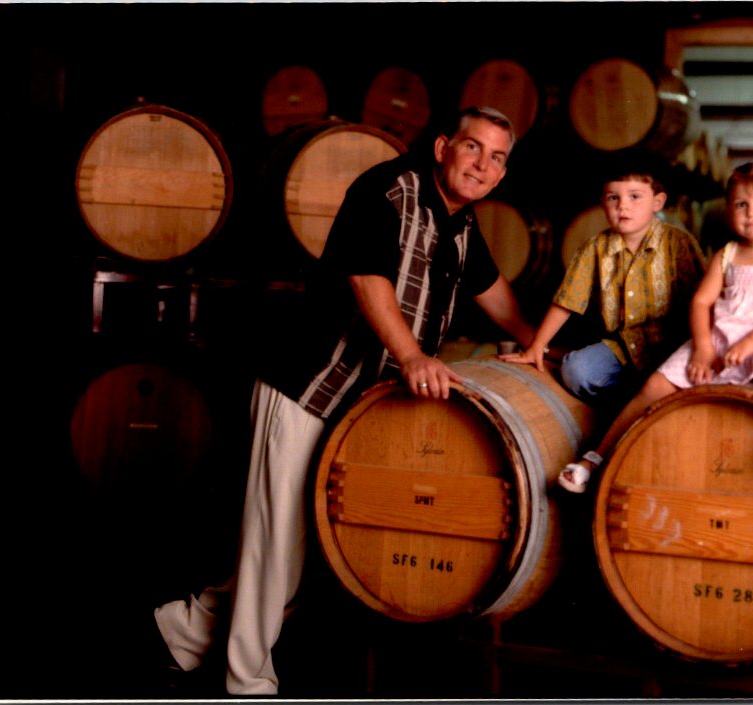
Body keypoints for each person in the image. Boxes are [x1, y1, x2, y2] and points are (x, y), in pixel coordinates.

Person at [153, 106, 535, 695]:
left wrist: (539, 347)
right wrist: (411, 356)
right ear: (442, 147)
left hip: (358, 410)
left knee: (307, 552)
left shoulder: (461, 226)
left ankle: (183, 629)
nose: (482, 164)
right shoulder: (386, 189)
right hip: (306, 387)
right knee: (275, 549)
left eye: (497, 157)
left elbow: (491, 291)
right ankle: (246, 682)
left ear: (503, 173)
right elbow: (366, 278)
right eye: (472, 147)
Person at [558, 159, 753, 493]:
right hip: (718, 342)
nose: (752, 213)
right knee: (652, 389)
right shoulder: (728, 253)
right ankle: (595, 459)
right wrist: (703, 347)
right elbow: (701, 302)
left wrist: (750, 344)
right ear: (729, 208)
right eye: (741, 204)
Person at [501, 150, 706, 415]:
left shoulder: (678, 243)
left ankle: (648, 398)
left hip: (671, 346)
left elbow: (704, 300)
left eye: (635, 196)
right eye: (613, 198)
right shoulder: (596, 247)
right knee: (575, 371)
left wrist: (702, 348)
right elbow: (567, 300)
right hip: (622, 346)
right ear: (602, 202)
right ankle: (628, 405)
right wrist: (537, 345)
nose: (623, 206)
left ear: (658, 201)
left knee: (682, 379)